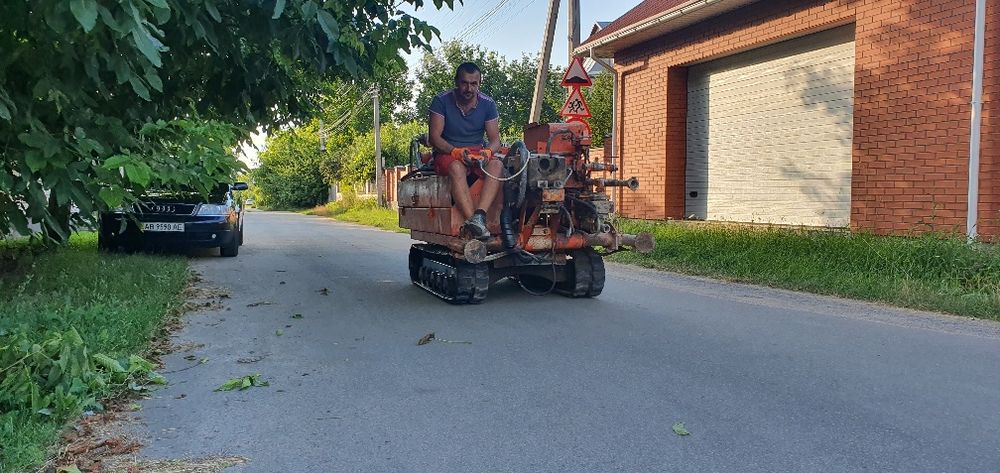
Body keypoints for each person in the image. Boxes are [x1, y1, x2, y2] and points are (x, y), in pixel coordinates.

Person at [428, 62, 504, 240]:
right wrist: (455, 152)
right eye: (464, 83)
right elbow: (434, 138)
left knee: (497, 166)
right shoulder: (441, 101)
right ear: (456, 82)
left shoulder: (488, 104)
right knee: (456, 167)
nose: (469, 88)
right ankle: (474, 224)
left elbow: (495, 141)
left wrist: (487, 153)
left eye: (474, 84)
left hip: (477, 152)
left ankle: (479, 216)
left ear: (479, 83)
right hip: (448, 153)